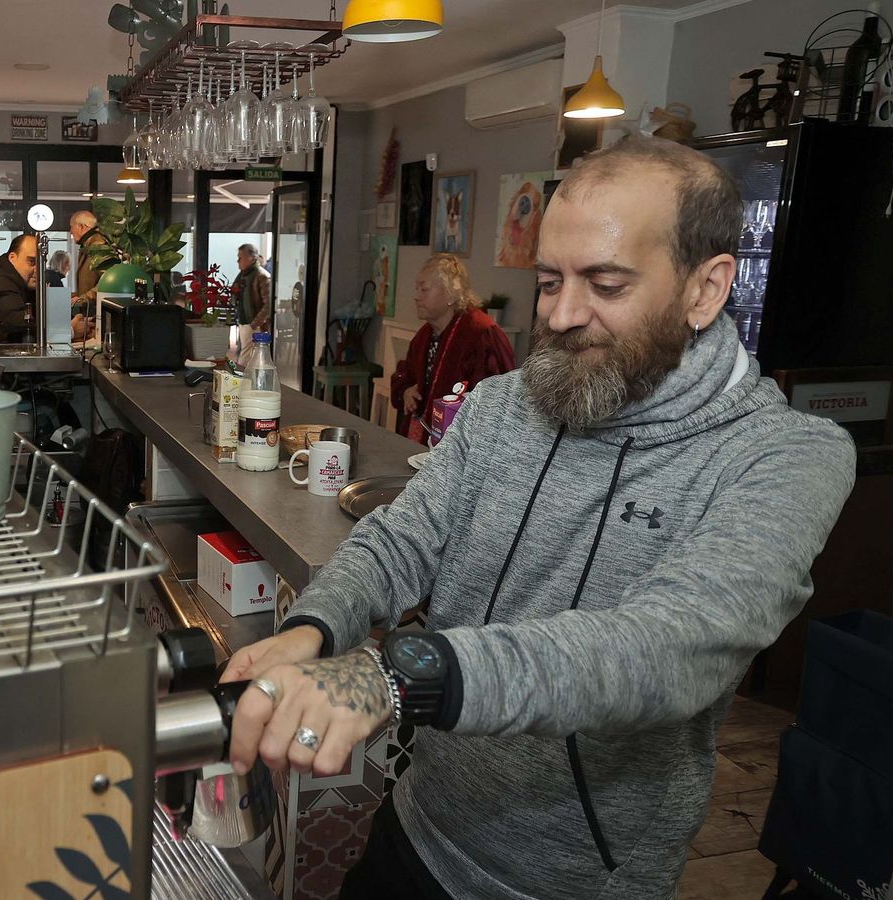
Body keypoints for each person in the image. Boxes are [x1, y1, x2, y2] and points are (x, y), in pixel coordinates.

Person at [221, 135, 856, 899]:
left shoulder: (785, 455)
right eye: (549, 280)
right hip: (420, 824)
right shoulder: (503, 406)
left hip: (569, 881)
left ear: (706, 288)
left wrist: (399, 673)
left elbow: (674, 646)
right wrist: (312, 629)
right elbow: (402, 540)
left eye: (606, 285)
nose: (559, 314)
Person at [390, 254, 515, 442]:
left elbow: (497, 402)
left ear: (450, 294)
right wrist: (406, 390)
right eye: (417, 289)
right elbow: (405, 374)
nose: (416, 297)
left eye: (424, 289)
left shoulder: (482, 334)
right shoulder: (425, 334)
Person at [70, 210, 105, 312]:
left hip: (95, 313)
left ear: (82, 227)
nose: (70, 231)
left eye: (71, 226)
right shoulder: (89, 246)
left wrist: (84, 298)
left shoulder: (99, 246)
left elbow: (107, 282)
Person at [231, 244, 271, 331]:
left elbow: (269, 305)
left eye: (240, 257)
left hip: (257, 327)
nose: (238, 261)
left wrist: (253, 325)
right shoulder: (242, 276)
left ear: (252, 258)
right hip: (243, 323)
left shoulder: (262, 276)